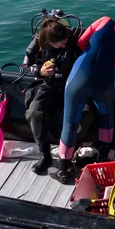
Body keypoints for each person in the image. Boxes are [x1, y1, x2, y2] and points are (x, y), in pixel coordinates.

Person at [53, 17, 115, 183]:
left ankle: (63, 169)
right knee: (106, 118)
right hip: (104, 82)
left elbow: (81, 42)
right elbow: (114, 64)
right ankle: (101, 160)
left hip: (79, 76)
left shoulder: (105, 21)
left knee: (70, 122)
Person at [22, 17, 81, 175]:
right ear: (49, 41)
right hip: (48, 85)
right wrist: (40, 71)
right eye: (59, 43)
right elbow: (25, 66)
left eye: (65, 41)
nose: (63, 44)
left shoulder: (72, 40)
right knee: (34, 113)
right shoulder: (38, 43)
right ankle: (45, 155)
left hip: (71, 85)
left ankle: (69, 157)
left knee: (85, 115)